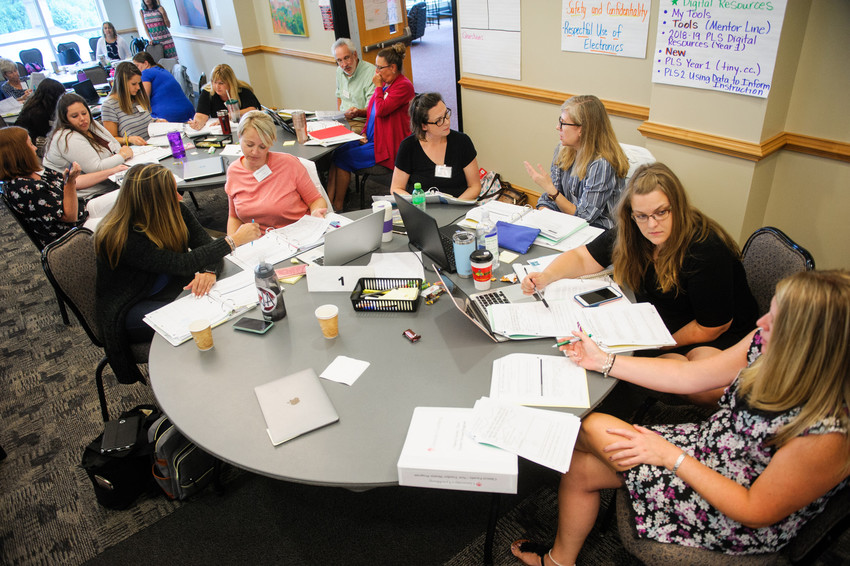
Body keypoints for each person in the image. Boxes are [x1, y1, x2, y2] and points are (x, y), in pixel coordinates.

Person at [512, 269, 850, 566]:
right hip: (712, 448)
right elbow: (691, 377)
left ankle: (526, 441)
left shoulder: (828, 434)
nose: (761, 323)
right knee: (580, 465)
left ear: (811, 345)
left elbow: (753, 510)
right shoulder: (769, 342)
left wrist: (671, 457)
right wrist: (603, 360)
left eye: (774, 321)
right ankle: (558, 561)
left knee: (594, 427)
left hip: (735, 512)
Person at [521, 163, 758, 358]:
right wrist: (547, 276)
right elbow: (583, 257)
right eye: (642, 216)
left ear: (679, 207)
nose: (652, 224)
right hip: (654, 322)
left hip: (709, 335)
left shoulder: (705, 250)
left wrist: (656, 346)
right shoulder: (632, 230)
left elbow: (713, 326)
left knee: (684, 367)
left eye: (661, 212)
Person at [94, 163, 261, 384]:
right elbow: (182, 263)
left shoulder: (175, 210)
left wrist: (209, 271)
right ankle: (203, 382)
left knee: (220, 305)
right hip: (130, 305)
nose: (180, 197)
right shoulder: (123, 237)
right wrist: (233, 241)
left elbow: (203, 247)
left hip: (168, 286)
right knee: (203, 320)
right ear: (152, 201)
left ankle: (229, 372)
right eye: (172, 193)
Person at [326, 43, 414, 211]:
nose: (376, 72)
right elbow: (372, 110)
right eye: (376, 67)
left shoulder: (403, 86)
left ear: (393, 67)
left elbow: (381, 110)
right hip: (373, 139)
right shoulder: (386, 83)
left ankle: (338, 206)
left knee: (342, 160)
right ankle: (329, 204)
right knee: (336, 152)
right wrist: (364, 132)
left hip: (387, 147)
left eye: (380, 68)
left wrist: (379, 87)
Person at [524, 95, 628, 230]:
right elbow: (549, 199)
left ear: (582, 129)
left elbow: (584, 217)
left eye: (563, 123)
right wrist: (544, 216)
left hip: (599, 232)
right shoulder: (562, 150)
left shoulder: (602, 163)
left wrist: (552, 192)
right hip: (568, 223)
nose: (557, 127)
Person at [225, 111, 327, 234]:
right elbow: (234, 217)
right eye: (249, 145)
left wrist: (316, 213)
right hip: (260, 242)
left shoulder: (289, 164)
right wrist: (232, 244)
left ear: (271, 142)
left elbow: (315, 200)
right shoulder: (234, 171)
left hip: (298, 233)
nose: (255, 152)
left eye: (262, 147)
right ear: (239, 137)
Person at [0, 126, 84, 245]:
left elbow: (65, 183)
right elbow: (70, 217)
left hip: (83, 211)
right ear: (20, 153)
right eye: (30, 144)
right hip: (72, 235)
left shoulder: (32, 173)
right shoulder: (24, 187)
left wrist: (112, 171)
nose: (35, 148)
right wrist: (70, 182)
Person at [390, 92, 481, 200]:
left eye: (446, 114)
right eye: (439, 121)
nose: (447, 122)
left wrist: (454, 206)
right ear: (424, 126)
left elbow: (474, 186)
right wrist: (417, 203)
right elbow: (396, 188)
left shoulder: (462, 142)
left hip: (458, 207)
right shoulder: (409, 147)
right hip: (422, 208)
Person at [42, 93, 133, 198]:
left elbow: (116, 146)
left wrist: (116, 157)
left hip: (109, 182)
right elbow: (96, 168)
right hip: (89, 195)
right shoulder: (66, 137)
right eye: (74, 116)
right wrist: (121, 156)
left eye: (84, 113)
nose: (82, 119)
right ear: (65, 119)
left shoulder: (90, 124)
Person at [188, 64, 260, 130]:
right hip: (220, 130)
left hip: (245, 127)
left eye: (221, 83)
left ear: (230, 83)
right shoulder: (207, 92)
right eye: (214, 82)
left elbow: (252, 110)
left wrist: (229, 115)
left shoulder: (243, 90)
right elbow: (201, 114)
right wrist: (197, 123)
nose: (217, 87)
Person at [132, 52, 194, 122]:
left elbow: (144, 99)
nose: (136, 70)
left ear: (146, 63)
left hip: (167, 116)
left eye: (137, 66)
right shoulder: (163, 70)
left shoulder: (145, 73)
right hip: (188, 112)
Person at [101, 62, 153, 145]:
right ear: (122, 83)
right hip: (135, 152)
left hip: (152, 145)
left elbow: (141, 121)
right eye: (133, 84)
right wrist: (128, 139)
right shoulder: (109, 105)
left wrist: (156, 121)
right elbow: (111, 140)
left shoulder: (136, 97)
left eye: (139, 83)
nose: (138, 87)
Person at [332, 38, 376, 135]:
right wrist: (340, 114)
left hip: (362, 121)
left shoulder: (371, 72)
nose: (344, 65)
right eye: (339, 60)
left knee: (339, 138)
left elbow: (373, 108)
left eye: (346, 58)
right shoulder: (339, 71)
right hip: (343, 119)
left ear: (355, 54)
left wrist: (358, 112)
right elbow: (339, 96)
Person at [15, 78, 66, 156]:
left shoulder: (38, 102)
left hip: (34, 138)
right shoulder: (38, 112)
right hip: (31, 142)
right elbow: (47, 133)